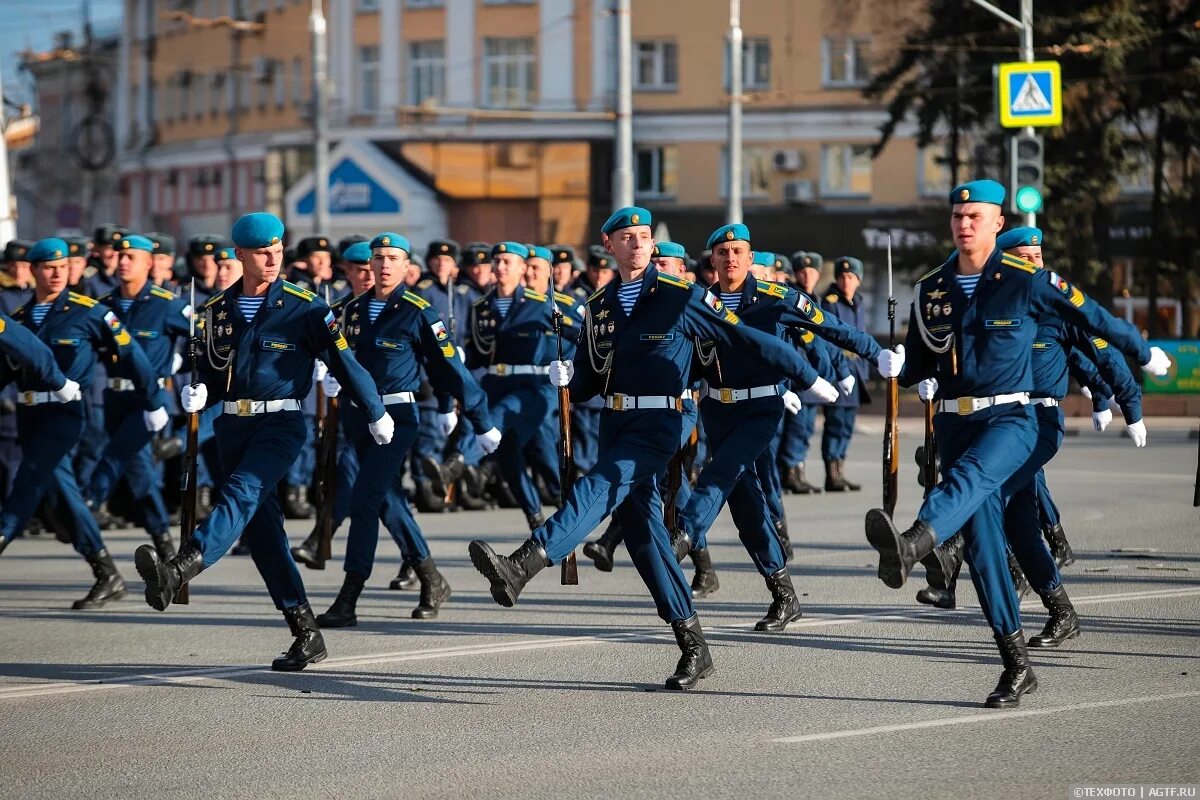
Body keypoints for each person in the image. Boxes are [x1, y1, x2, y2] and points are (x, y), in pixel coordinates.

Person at [466, 207, 823, 690]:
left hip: (662, 421)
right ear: (609, 245)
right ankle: (693, 644)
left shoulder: (682, 296)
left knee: (600, 484)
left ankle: (525, 562)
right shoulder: (600, 305)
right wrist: (570, 378)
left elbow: (746, 338)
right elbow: (592, 382)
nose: (637, 244)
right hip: (616, 418)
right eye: (627, 237)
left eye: (644, 236)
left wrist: (808, 377)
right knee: (644, 537)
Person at [867, 180, 1171, 707]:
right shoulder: (932, 288)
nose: (965, 224)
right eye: (958, 216)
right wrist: (896, 366)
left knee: (970, 480)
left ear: (997, 223)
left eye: (975, 216)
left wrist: (1141, 353)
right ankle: (1016, 663)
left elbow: (1091, 319)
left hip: (1012, 418)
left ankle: (918, 541)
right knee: (986, 554)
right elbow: (921, 361)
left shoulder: (1026, 279)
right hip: (955, 423)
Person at [133, 212, 394, 671]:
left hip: (281, 424)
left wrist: (375, 409)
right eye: (261, 252)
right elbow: (212, 373)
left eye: (277, 250)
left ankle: (181, 567)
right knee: (264, 531)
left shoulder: (304, 305)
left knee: (241, 492)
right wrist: (201, 393)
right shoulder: (215, 311)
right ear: (240, 256)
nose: (272, 258)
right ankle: (305, 631)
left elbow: (344, 361)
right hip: (233, 426)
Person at [676, 226, 899, 626]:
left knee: (718, 473)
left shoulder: (775, 298)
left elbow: (832, 328)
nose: (730, 258)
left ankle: (681, 538)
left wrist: (875, 352)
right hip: (715, 410)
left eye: (738, 251)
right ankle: (784, 594)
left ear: (749, 257)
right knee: (747, 507)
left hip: (762, 407)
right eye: (722, 252)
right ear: (711, 260)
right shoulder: (697, 303)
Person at [315, 232, 500, 626]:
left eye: (390, 258)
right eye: (377, 258)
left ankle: (349, 597)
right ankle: (432, 579)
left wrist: (479, 419)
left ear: (405, 267)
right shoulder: (348, 311)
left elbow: (450, 369)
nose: (382, 265)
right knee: (388, 500)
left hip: (399, 418)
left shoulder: (418, 311)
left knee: (366, 498)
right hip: (357, 417)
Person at [0, 237, 167, 608]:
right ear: (34, 270)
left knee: (33, 480)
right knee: (60, 494)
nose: (57, 273)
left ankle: (8, 533)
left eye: (63, 266)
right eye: (48, 266)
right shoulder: (20, 320)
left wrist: (154, 400)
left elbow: (131, 353)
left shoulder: (89, 311)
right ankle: (106, 573)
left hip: (67, 413)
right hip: (30, 415)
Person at [85, 235, 190, 560]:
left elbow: (204, 338)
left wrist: (180, 363)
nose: (124, 262)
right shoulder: (104, 305)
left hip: (149, 401)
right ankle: (162, 540)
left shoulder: (167, 303)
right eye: (121, 256)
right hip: (113, 397)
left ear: (149, 263)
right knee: (139, 471)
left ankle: (89, 499)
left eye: (132, 256)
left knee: (116, 455)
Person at [819, 256, 872, 492]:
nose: (845, 281)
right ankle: (832, 473)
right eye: (842, 276)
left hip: (857, 372)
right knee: (836, 423)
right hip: (839, 371)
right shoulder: (830, 302)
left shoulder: (859, 302)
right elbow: (828, 337)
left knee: (848, 425)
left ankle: (841, 467)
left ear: (858, 280)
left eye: (851, 277)